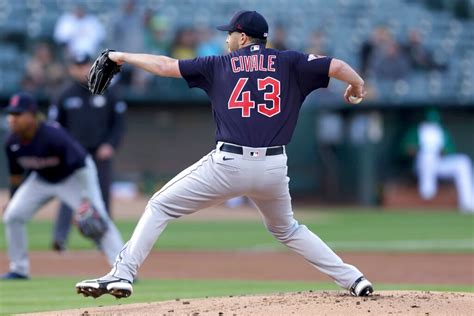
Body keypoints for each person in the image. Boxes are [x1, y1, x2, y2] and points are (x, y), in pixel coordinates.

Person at [75, 10, 374, 298]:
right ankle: (355, 279)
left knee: (160, 206)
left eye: (230, 34)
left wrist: (120, 56)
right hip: (273, 167)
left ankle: (122, 274)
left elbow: (166, 66)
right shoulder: (290, 61)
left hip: (229, 163)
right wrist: (357, 85)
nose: (227, 39)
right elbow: (335, 66)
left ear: (243, 38)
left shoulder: (220, 64)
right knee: (288, 229)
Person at [1, 93, 124, 280]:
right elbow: (16, 177)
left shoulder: (53, 135)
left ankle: (123, 270)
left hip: (74, 177)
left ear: (32, 115)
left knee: (98, 216)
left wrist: (86, 201)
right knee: (13, 216)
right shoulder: (12, 142)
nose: (12, 119)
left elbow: (82, 164)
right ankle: (19, 269)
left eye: (18, 114)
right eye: (11, 114)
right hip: (40, 180)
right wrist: (12, 199)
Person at [48, 52, 127, 252]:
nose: (82, 69)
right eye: (78, 65)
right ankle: (60, 239)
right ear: (71, 68)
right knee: (68, 196)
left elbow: (118, 124)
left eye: (86, 65)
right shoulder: (64, 94)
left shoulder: (108, 91)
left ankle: (103, 241)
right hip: (73, 156)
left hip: (100, 153)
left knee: (101, 197)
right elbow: (55, 127)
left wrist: (110, 144)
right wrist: (63, 151)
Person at [401, 109, 474, 213]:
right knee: (427, 156)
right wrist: (420, 150)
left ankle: (468, 203)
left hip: (438, 163)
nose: (431, 124)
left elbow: (449, 150)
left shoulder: (441, 131)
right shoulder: (416, 130)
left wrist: (442, 152)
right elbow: (406, 149)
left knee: (463, 161)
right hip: (421, 165)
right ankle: (427, 195)